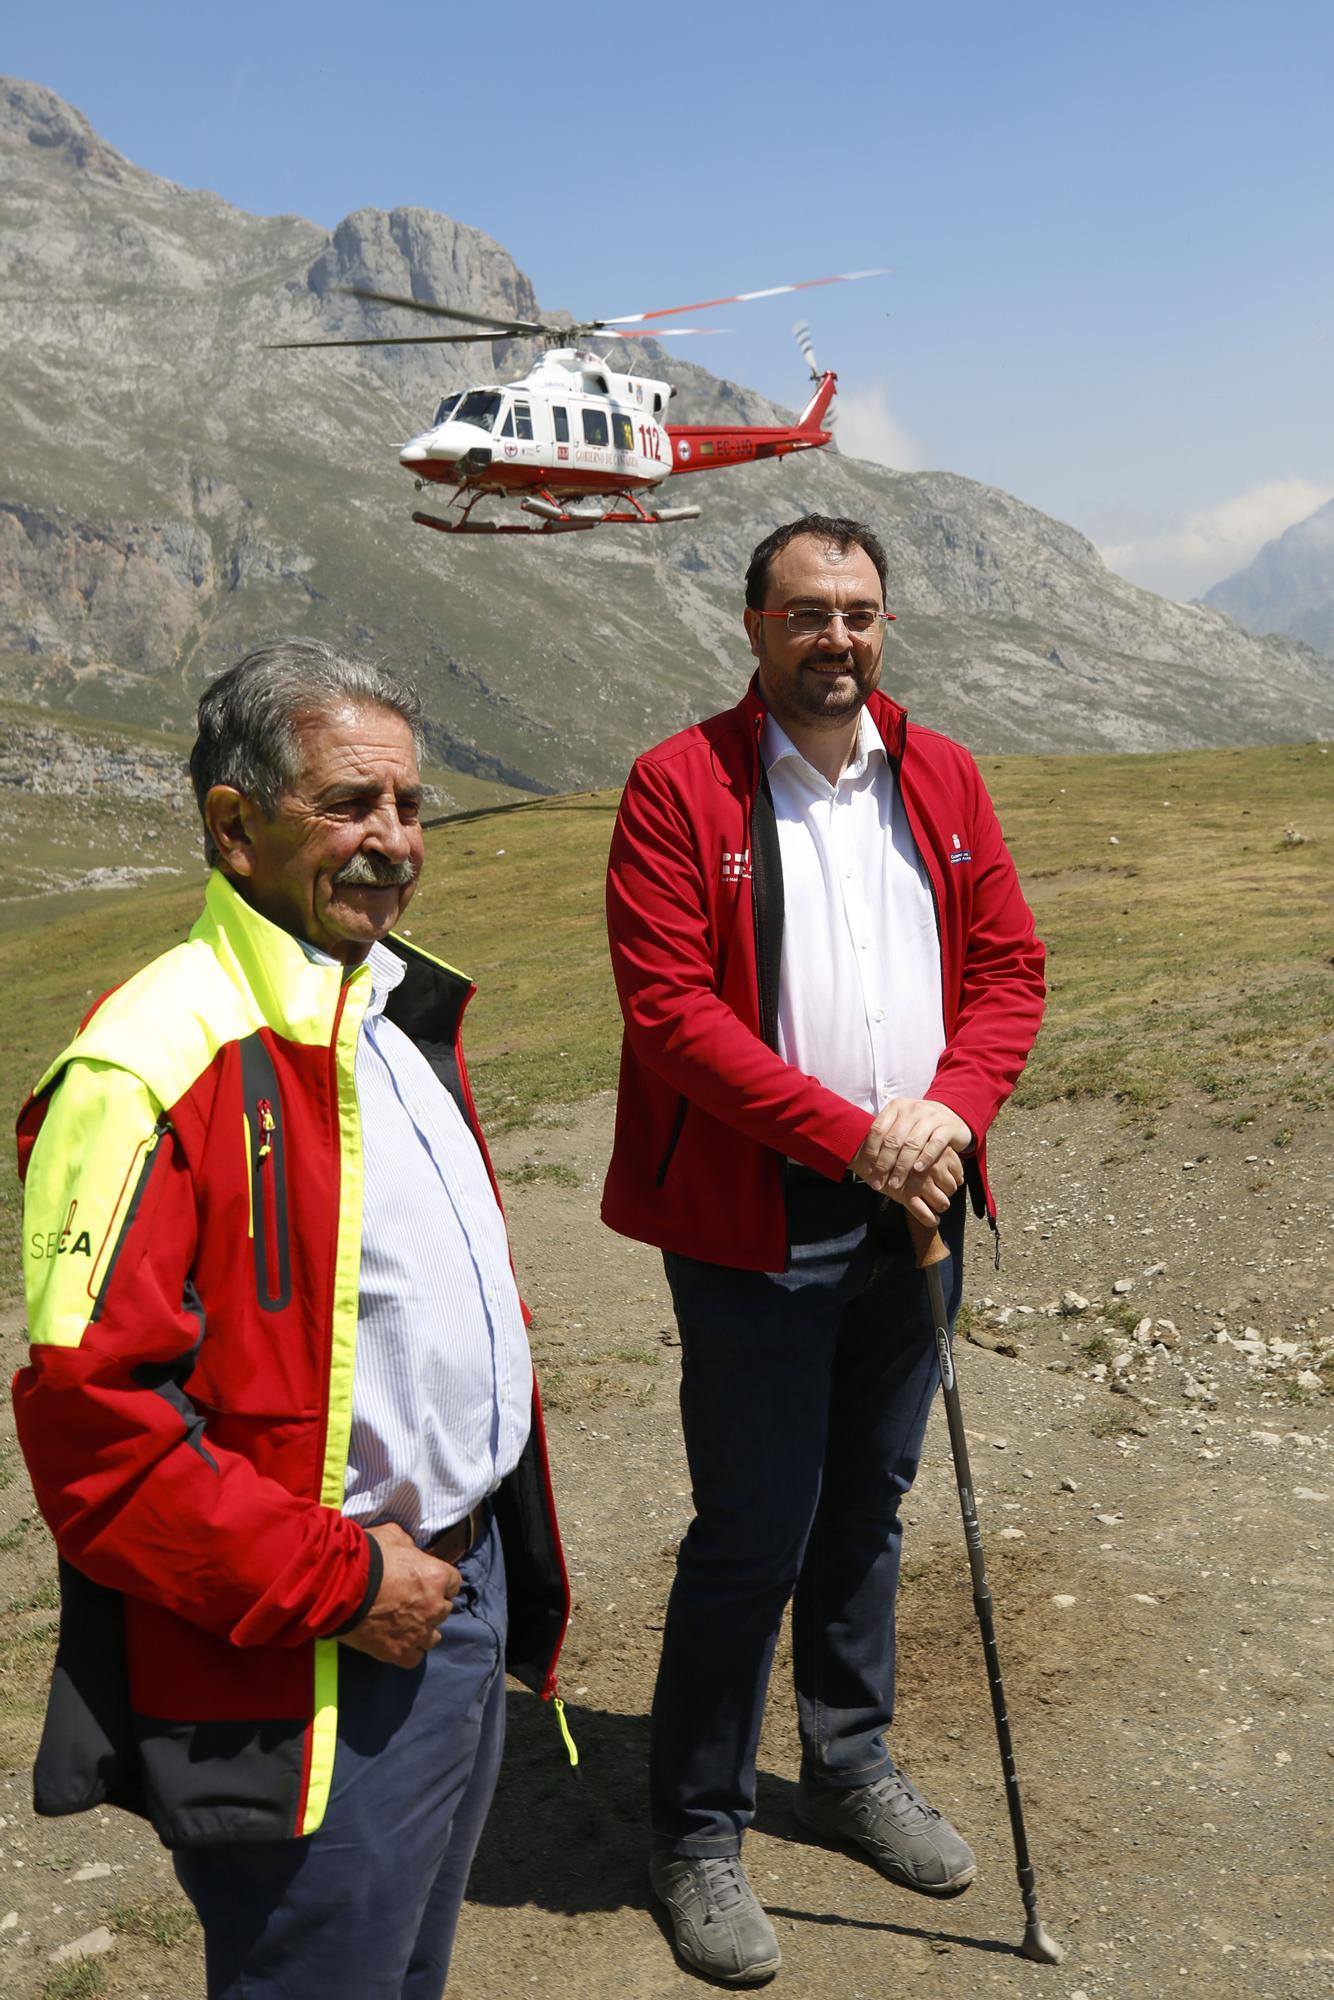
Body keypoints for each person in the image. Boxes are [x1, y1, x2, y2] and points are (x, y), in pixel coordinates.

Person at [13, 638, 569, 1999]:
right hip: (315, 1645)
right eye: (347, 804)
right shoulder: (148, 1063)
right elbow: (99, 1431)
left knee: (406, 1969)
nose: (391, 842)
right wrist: (348, 1583)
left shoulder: (387, 1008)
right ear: (233, 824)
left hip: (453, 1590)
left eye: (410, 806)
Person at [603, 515, 1045, 1986]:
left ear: (884, 624)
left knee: (869, 1504)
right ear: (752, 626)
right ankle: (696, 1829)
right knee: (753, 1531)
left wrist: (948, 1116)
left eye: (856, 613)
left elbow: (1005, 968)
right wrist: (848, 1135)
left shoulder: (944, 775)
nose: (834, 639)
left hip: (910, 1208)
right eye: (805, 613)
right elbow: (672, 1015)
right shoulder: (680, 786)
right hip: (756, 1223)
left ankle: (846, 1765)